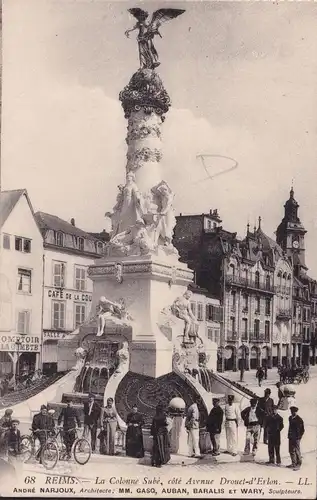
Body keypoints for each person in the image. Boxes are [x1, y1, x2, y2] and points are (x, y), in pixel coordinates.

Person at [287, 406, 305, 471]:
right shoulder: (290, 418)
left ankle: (298, 464)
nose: (292, 413)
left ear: (296, 412)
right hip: (291, 437)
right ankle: (293, 463)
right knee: (291, 450)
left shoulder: (299, 420)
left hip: (296, 438)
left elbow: (302, 430)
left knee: (297, 451)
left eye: (294, 412)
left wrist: (299, 437)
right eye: (291, 411)